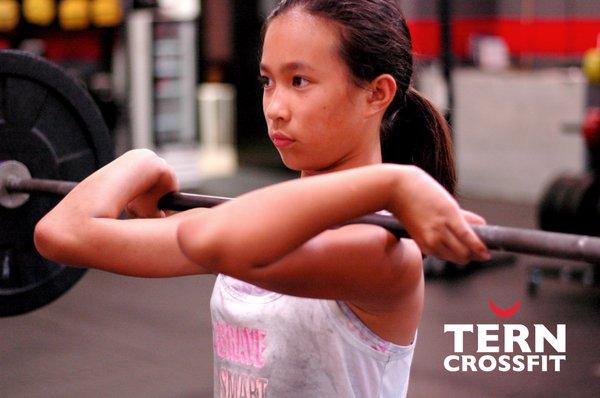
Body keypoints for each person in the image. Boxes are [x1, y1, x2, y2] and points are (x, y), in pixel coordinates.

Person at [34, 0, 490, 396]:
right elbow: (60, 234)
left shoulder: (382, 251)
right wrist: (137, 159)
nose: (275, 107)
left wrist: (390, 184)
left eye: (300, 82)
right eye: (268, 81)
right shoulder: (255, 221)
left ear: (376, 93)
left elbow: (217, 242)